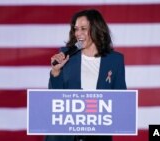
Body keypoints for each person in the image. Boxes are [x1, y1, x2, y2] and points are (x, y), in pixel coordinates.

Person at [45, 9, 126, 141]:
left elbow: (121, 99)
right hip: (64, 136)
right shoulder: (66, 55)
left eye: (83, 29)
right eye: (76, 29)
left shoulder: (115, 60)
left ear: (96, 29)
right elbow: (54, 96)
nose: (78, 33)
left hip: (97, 135)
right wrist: (56, 71)